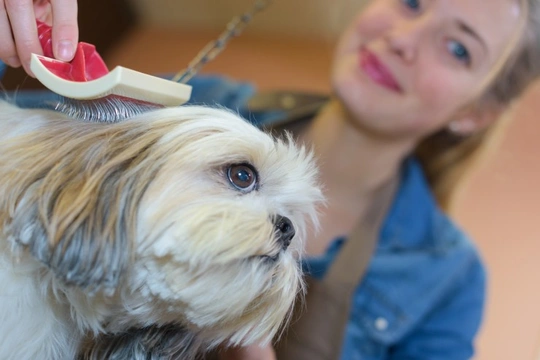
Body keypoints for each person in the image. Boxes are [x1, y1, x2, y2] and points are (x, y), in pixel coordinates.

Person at [2, 0, 540, 359]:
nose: (404, 38)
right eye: (413, 2)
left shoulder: (448, 280)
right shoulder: (196, 106)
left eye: (458, 48)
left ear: (476, 113)